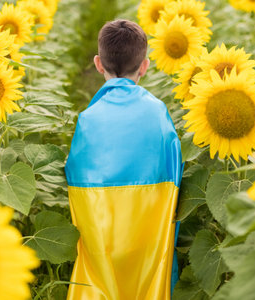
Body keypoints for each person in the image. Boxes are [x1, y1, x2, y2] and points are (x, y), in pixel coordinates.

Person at [65, 19, 183, 300]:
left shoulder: (88, 120)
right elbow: (175, 170)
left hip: (102, 241)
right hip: (148, 244)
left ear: (97, 64)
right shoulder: (158, 113)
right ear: (145, 65)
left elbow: (74, 176)